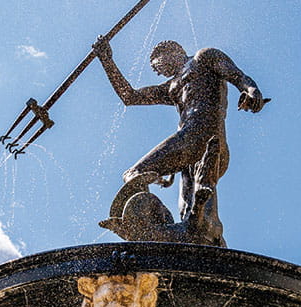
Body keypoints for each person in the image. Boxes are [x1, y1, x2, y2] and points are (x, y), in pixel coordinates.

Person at [92, 36, 267, 246]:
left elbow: (237, 75)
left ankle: (149, 217)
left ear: (170, 52)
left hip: (202, 133)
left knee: (134, 174)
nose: (156, 72)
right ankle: (207, 244)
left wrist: (251, 90)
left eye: (156, 64)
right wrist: (106, 59)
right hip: (189, 149)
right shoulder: (170, 87)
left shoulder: (204, 58)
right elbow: (130, 96)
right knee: (190, 212)